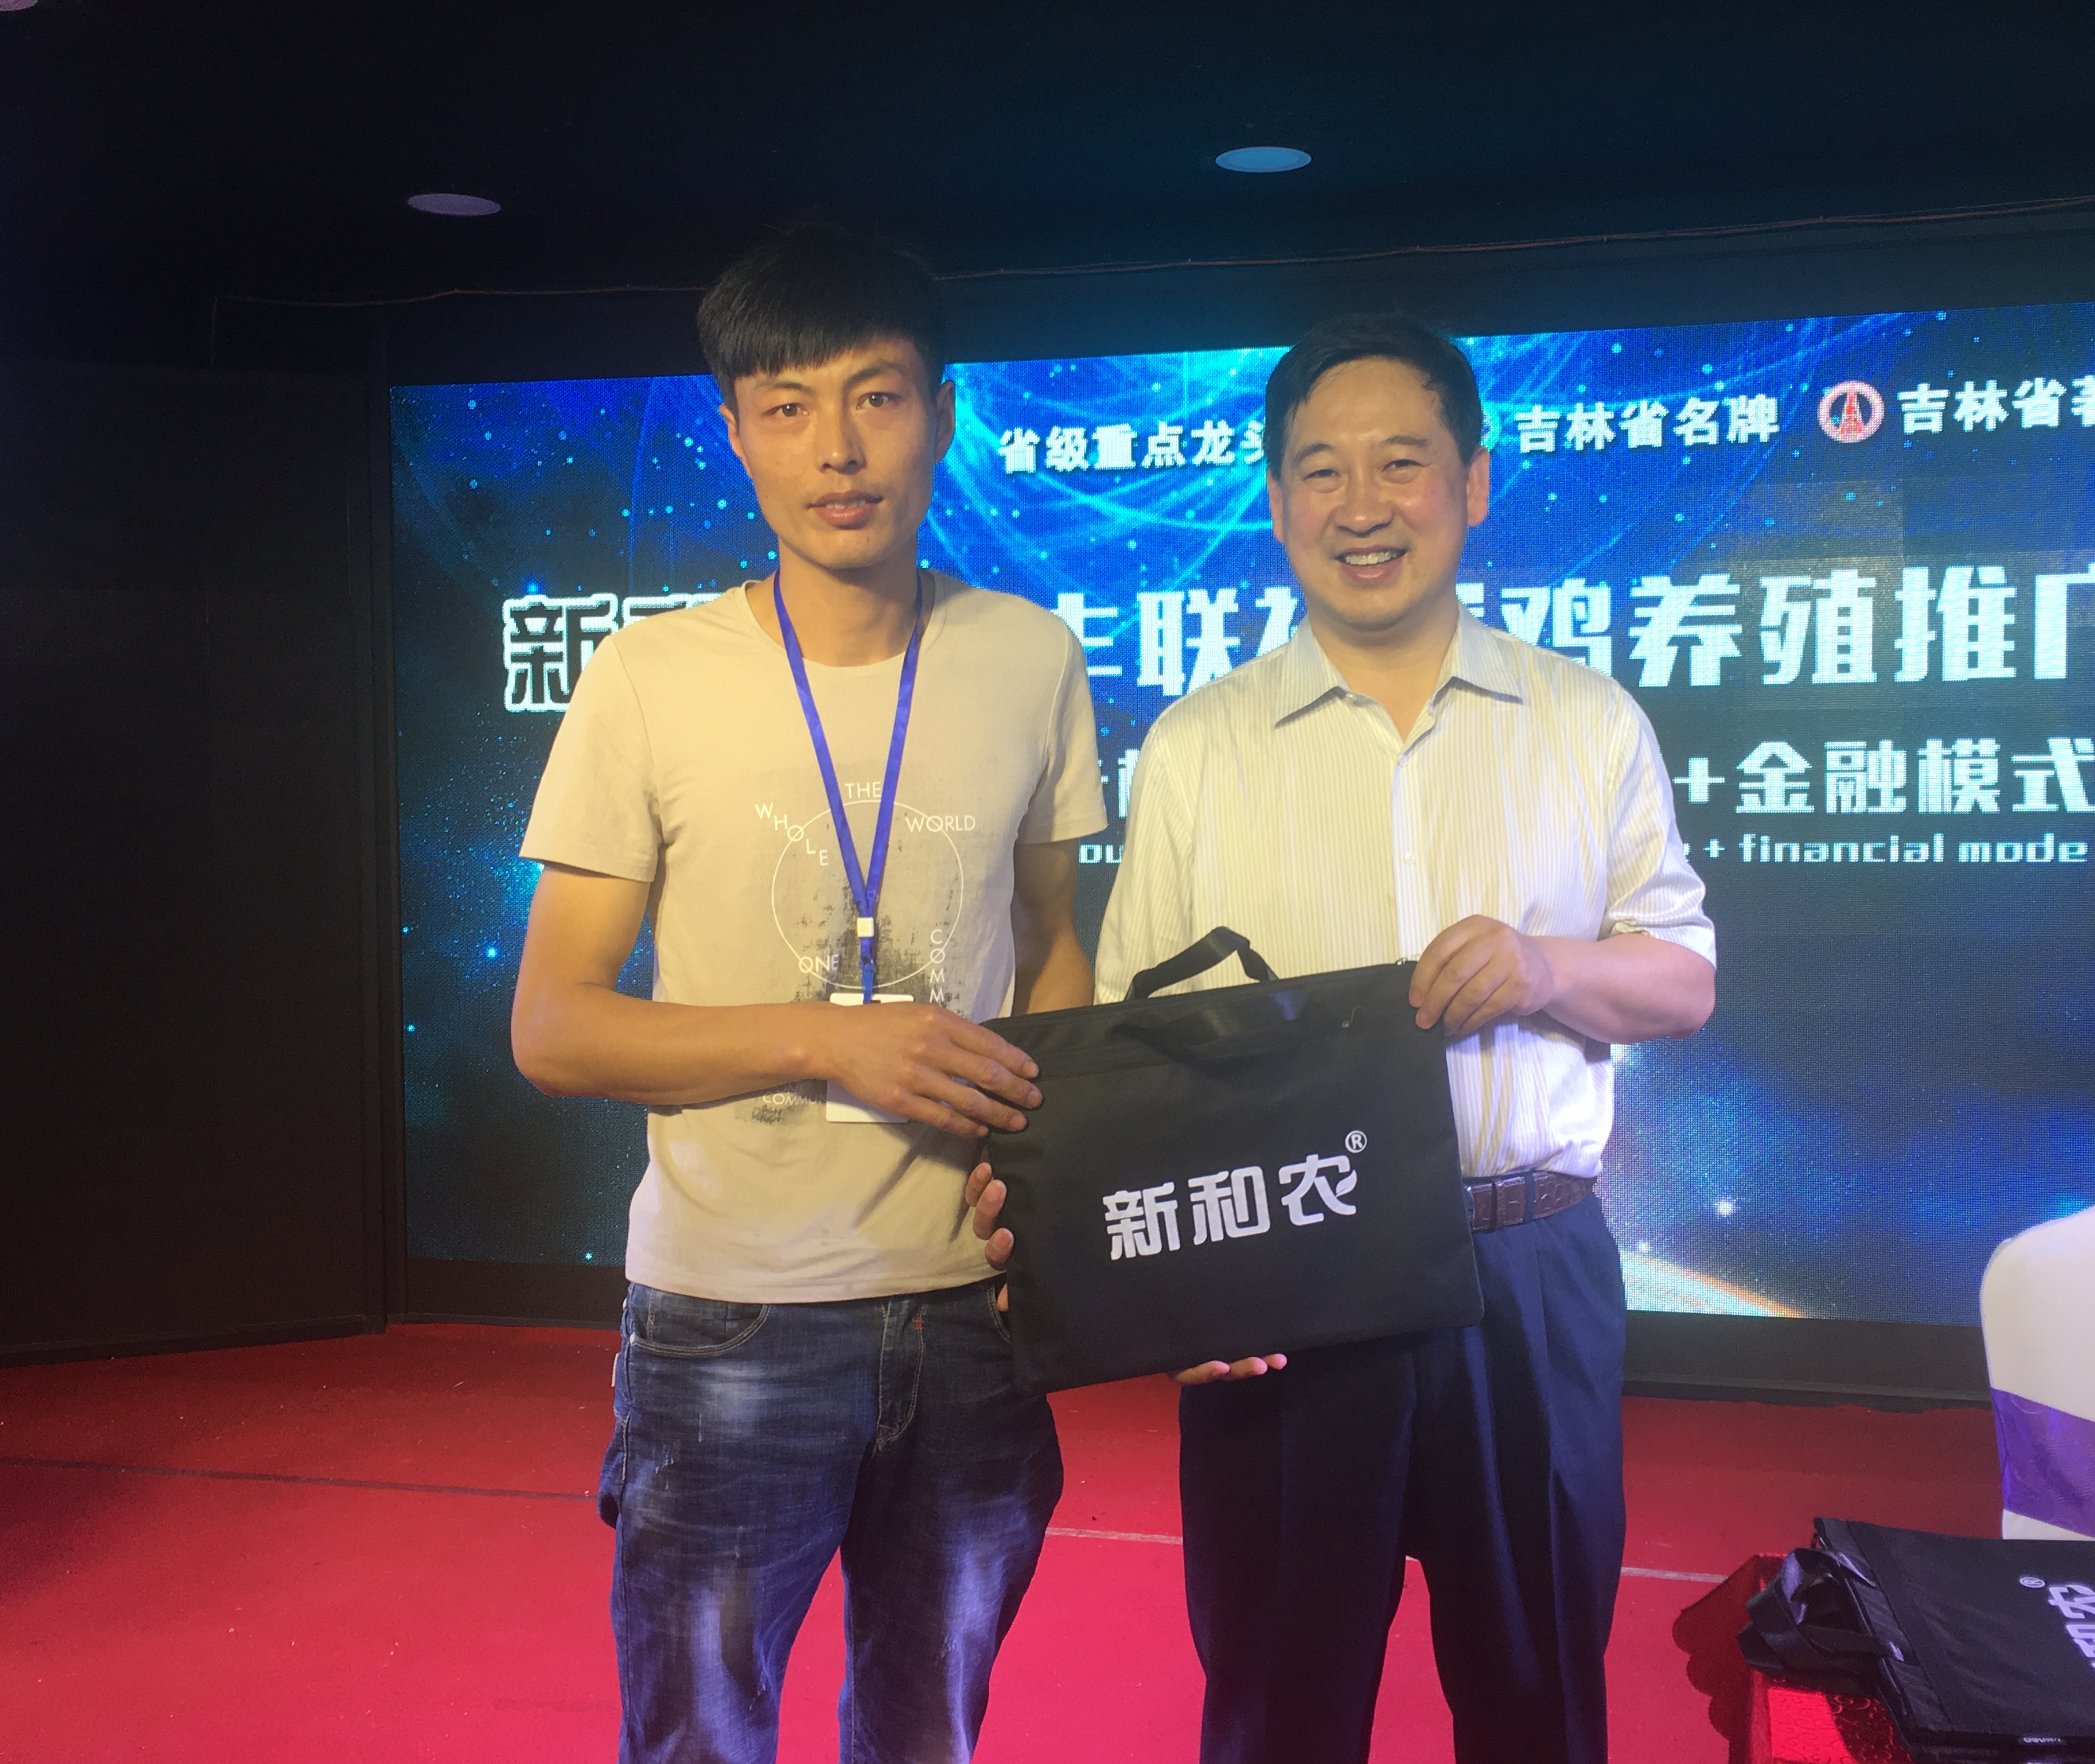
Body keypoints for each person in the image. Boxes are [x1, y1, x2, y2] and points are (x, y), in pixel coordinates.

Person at [971, 312, 1715, 1763]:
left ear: (1474, 482)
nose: (1362, 506)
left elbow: (1682, 982)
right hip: (1283, 1283)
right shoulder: (1199, 745)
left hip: (1525, 1270)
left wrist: (1546, 966)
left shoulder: (1585, 721)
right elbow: (1138, 1056)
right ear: (1276, 500)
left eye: (1401, 463)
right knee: (1278, 1708)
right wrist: (1171, 1296)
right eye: (1322, 470)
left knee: (1542, 1699)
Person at [510, 225, 1104, 1764]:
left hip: (973, 1315)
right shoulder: (649, 677)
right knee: (700, 1737)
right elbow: (556, 1023)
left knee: (930, 1730)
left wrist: (1054, 1200)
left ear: (942, 413)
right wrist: (833, 1042)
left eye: (876, 397)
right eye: (786, 406)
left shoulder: (1030, 656)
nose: (836, 449)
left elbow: (1055, 948)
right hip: (731, 1318)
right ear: (736, 431)